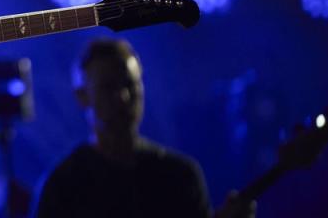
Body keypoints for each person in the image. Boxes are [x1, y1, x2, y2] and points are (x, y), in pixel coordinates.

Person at [33, 38, 255, 218]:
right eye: (108, 87)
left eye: (130, 84)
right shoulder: (64, 185)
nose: (123, 97)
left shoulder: (180, 175)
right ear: (82, 96)